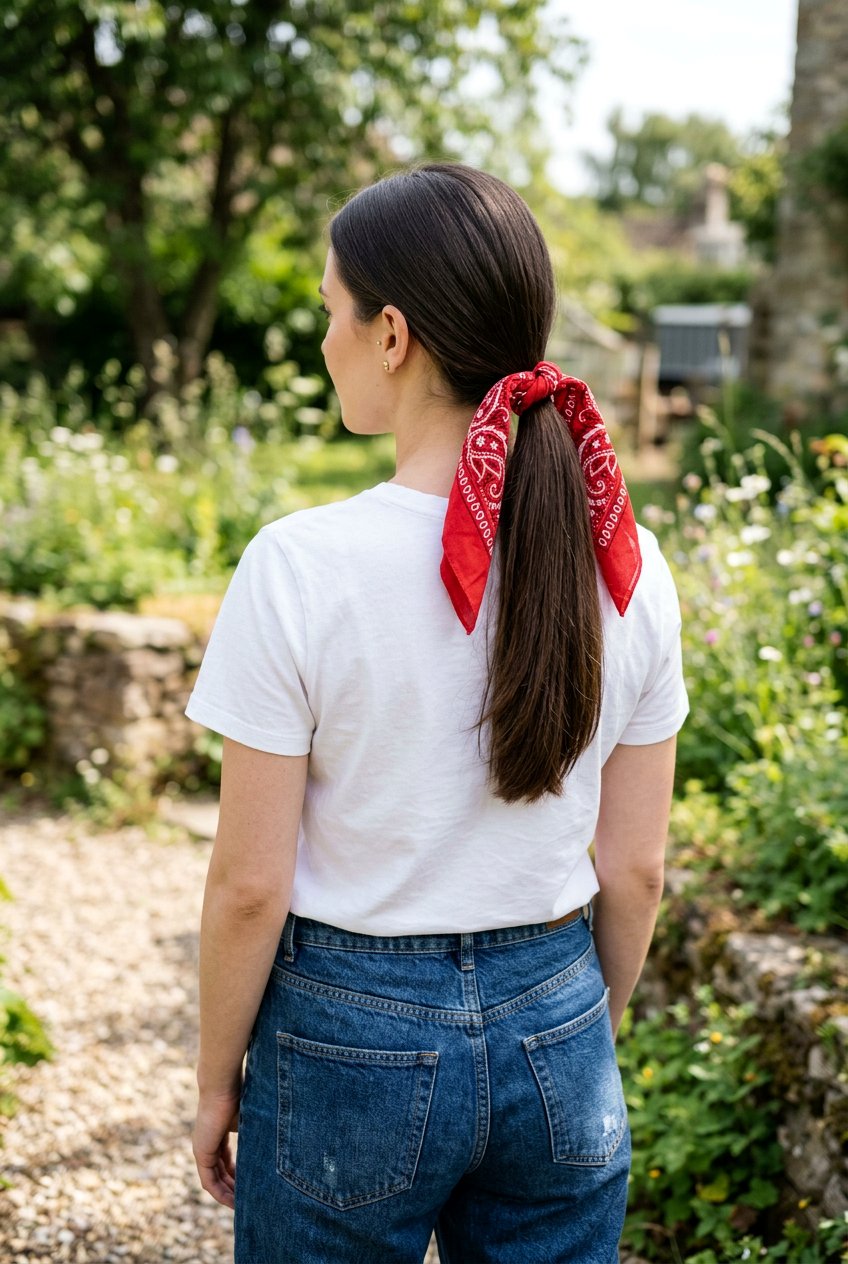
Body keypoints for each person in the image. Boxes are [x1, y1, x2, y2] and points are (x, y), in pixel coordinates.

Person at [183, 161, 689, 1264]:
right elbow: (637, 867)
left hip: (346, 1032)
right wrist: (575, 1034)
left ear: (391, 335)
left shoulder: (299, 565)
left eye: (331, 312)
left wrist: (217, 1079)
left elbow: (250, 885)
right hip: (557, 1013)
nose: (324, 340)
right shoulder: (629, 564)